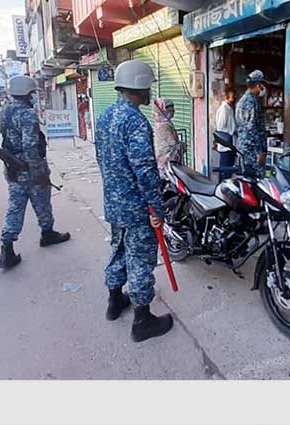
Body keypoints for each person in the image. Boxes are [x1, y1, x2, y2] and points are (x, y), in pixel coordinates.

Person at [94, 59, 173, 343]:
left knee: (118, 251)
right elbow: (145, 170)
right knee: (140, 260)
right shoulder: (135, 121)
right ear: (139, 86)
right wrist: (157, 208)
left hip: (114, 204)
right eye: (148, 85)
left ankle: (115, 302)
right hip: (137, 207)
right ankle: (142, 321)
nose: (150, 91)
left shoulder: (105, 116)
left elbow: (101, 160)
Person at [0, 75, 70, 269]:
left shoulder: (4, 112)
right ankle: (47, 233)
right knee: (42, 202)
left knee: (15, 207)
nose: (33, 96)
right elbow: (30, 145)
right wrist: (38, 172)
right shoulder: (27, 114)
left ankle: (7, 248)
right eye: (32, 93)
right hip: (28, 168)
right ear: (26, 93)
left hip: (12, 169)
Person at [235, 70, 268, 176]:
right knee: (256, 181)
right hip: (251, 151)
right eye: (262, 85)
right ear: (259, 85)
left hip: (245, 149)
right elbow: (251, 129)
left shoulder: (244, 100)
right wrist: (259, 152)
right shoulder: (250, 103)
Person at [152, 97, 182, 175]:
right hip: (167, 164)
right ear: (163, 110)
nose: (173, 111)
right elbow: (170, 145)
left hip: (165, 162)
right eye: (170, 110)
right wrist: (181, 146)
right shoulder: (163, 126)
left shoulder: (163, 122)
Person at [214, 87, 237, 181]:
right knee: (225, 170)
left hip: (230, 144)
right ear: (227, 97)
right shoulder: (224, 109)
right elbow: (221, 127)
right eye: (233, 96)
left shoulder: (229, 108)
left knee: (228, 170)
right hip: (226, 144)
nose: (235, 98)